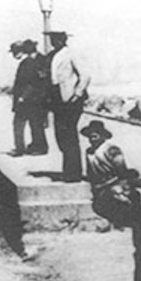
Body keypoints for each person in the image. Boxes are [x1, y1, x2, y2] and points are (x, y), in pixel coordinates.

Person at [48, 31, 90, 182]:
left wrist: (77, 94)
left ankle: (73, 173)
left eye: (57, 39)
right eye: (52, 39)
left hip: (71, 100)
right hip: (58, 99)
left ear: (63, 40)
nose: (54, 42)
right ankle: (69, 170)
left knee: (69, 135)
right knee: (61, 135)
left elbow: (85, 75)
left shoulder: (71, 54)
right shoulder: (53, 55)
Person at [81, 120, 139, 228]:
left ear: (103, 136)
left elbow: (121, 170)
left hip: (114, 183)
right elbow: (90, 172)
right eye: (90, 136)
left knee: (121, 197)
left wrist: (123, 184)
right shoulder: (89, 152)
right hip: (99, 187)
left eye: (95, 136)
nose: (92, 139)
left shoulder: (111, 150)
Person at [11, 39, 50, 156]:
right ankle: (32, 147)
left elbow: (31, 83)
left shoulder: (27, 62)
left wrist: (22, 97)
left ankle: (21, 149)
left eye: (15, 52)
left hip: (29, 100)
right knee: (35, 123)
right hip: (31, 99)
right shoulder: (29, 61)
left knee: (21, 123)